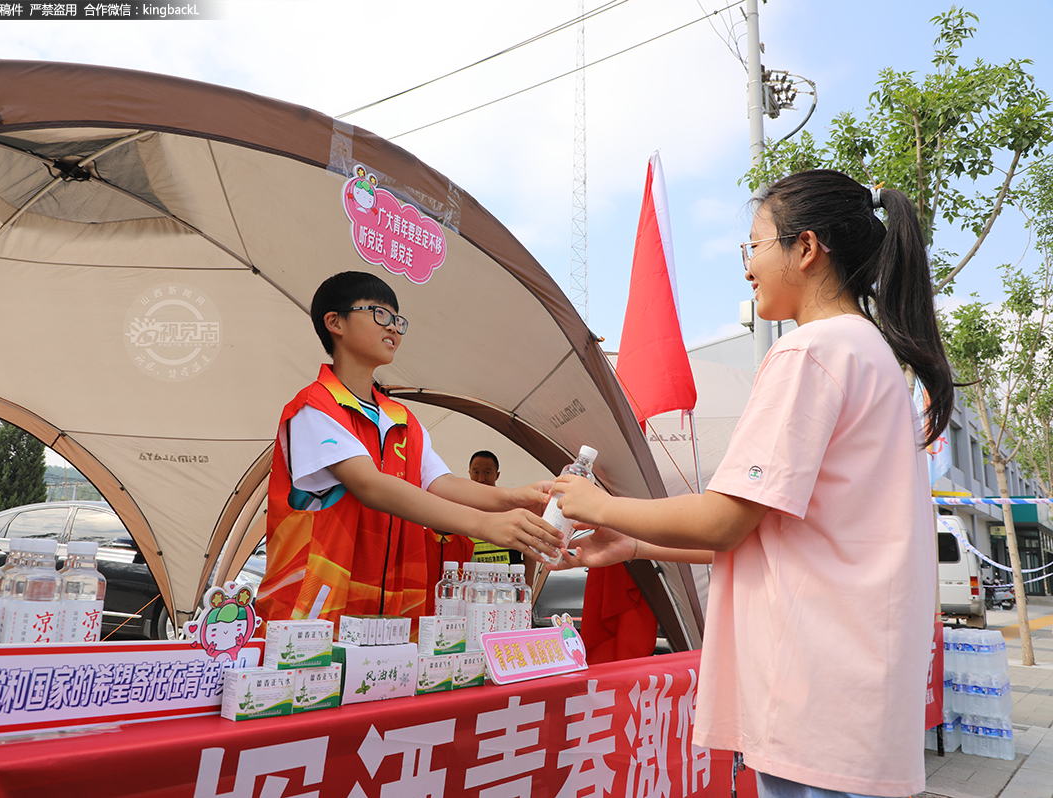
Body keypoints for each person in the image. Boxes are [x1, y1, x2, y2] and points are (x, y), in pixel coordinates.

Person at [550, 170, 953, 798]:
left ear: (806, 247)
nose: (748, 268)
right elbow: (768, 533)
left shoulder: (809, 354)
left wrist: (601, 503)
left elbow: (726, 520)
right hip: (852, 690)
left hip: (814, 691)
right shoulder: (869, 353)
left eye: (755, 245)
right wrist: (633, 546)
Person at [256, 271, 561, 630]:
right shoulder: (313, 408)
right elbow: (370, 486)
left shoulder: (400, 418)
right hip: (316, 611)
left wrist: (515, 497)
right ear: (334, 322)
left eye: (398, 319)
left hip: (393, 609)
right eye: (379, 313)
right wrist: (486, 524)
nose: (394, 328)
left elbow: (441, 482)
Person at [465, 450, 537, 584]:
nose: (481, 478)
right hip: (474, 587)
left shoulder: (512, 508)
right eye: (476, 472)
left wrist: (528, 582)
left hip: (508, 586)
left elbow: (529, 550)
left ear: (497, 475)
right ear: (469, 473)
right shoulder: (460, 510)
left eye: (487, 472)